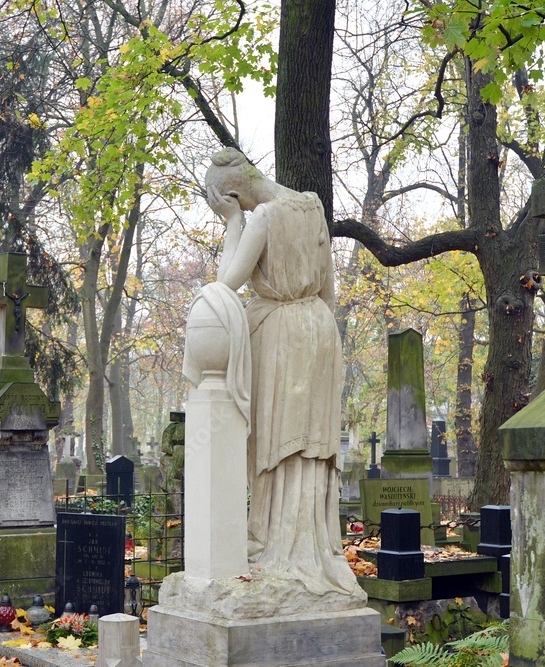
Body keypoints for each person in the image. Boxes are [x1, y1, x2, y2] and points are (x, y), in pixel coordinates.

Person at [204, 148, 363, 602]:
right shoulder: (312, 206)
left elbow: (224, 285)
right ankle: (311, 545)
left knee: (277, 443)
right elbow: (329, 287)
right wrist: (317, 332)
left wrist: (233, 222)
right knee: (307, 446)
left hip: (279, 335)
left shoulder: (263, 219)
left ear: (232, 193)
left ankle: (277, 547)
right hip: (318, 328)